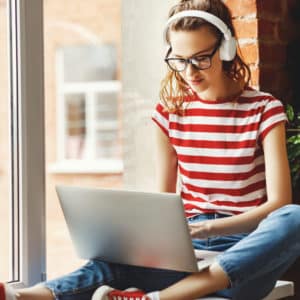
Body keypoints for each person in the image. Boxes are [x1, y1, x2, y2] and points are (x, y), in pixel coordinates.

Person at [1, 0, 300, 299]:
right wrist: (149, 237)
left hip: (246, 252)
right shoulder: (169, 112)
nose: (190, 72)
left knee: (294, 217)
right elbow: (163, 202)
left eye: (200, 59)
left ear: (227, 49)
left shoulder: (264, 109)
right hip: (186, 251)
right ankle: (20, 296)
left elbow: (278, 203)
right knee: (111, 263)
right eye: (180, 60)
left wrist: (209, 229)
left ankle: (159, 297)